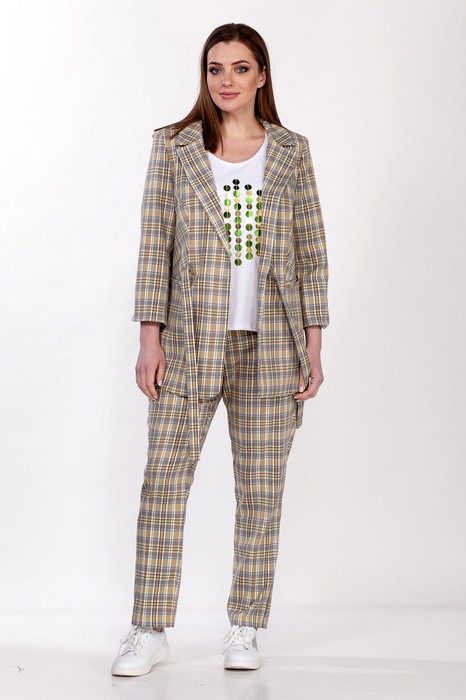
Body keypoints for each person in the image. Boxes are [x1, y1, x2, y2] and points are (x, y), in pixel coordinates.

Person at [111, 22, 329, 677]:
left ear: (262, 75)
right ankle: (148, 628)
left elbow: (311, 252)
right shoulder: (174, 147)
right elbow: (155, 245)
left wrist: (314, 347)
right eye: (215, 68)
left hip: (272, 344)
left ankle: (246, 626)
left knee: (261, 492)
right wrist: (149, 339)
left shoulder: (290, 151)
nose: (226, 80)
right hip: (189, 342)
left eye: (239, 68)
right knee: (163, 485)